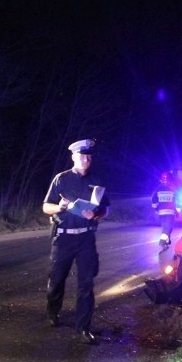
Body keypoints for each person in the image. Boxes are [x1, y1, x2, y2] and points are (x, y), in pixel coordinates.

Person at [42, 138, 110, 345]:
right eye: (82, 156)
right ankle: (53, 311)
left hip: (86, 239)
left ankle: (83, 327)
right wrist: (61, 208)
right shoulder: (61, 179)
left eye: (89, 156)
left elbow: (106, 209)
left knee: (86, 284)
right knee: (56, 280)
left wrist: (97, 215)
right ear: (73, 157)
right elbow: (46, 207)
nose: (86, 160)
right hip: (63, 237)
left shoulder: (97, 180)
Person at [151, 171, 177, 250]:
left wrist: (156, 209)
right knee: (168, 228)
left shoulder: (158, 189)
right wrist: (176, 210)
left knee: (165, 227)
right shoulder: (173, 189)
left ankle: (166, 240)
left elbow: (154, 201)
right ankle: (162, 241)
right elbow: (176, 201)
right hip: (170, 212)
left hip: (161, 213)